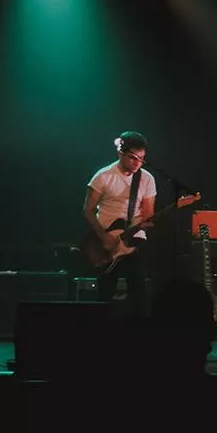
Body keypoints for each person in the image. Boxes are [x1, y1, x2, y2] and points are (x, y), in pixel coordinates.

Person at [82, 131, 157, 318]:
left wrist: (145, 222)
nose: (137, 163)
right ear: (120, 153)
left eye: (141, 159)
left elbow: (147, 213)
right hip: (105, 240)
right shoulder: (103, 177)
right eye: (132, 157)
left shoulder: (147, 178)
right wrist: (104, 236)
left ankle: (140, 335)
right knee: (105, 291)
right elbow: (87, 211)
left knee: (139, 289)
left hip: (134, 239)